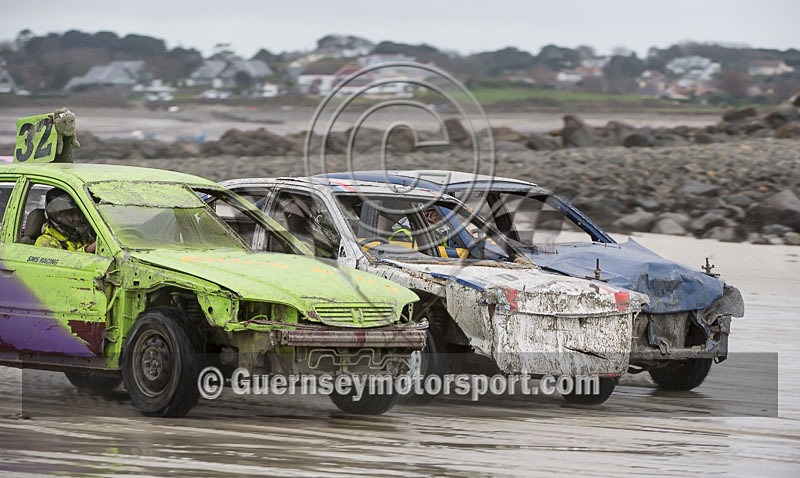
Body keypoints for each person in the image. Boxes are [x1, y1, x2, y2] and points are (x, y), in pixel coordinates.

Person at [35, 188, 96, 253]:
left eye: (79, 213)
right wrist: (88, 249)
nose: (78, 218)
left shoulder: (85, 235)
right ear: (56, 215)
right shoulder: (46, 241)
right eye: (70, 214)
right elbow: (61, 262)